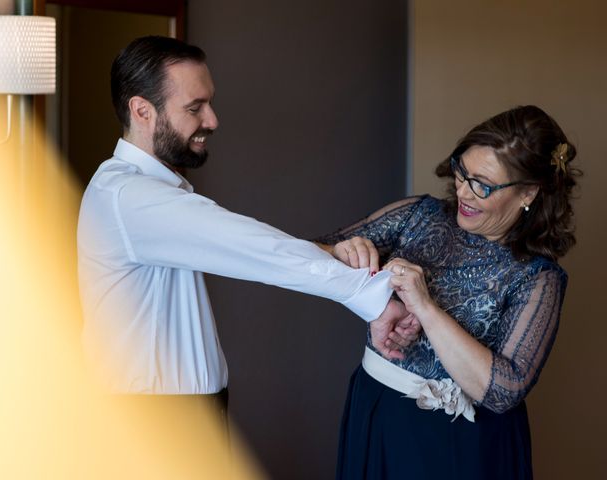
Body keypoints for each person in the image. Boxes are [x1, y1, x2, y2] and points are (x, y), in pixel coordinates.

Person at [77, 35, 419, 421]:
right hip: (151, 425)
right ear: (142, 111)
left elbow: (248, 245)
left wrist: (332, 253)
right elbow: (254, 249)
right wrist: (370, 296)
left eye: (209, 102)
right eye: (195, 107)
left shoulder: (144, 193)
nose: (212, 120)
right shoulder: (129, 196)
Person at [317, 105, 580, 479]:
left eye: (482, 184)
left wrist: (425, 306)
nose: (463, 192)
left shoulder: (539, 278)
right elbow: (312, 253)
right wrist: (344, 255)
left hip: (462, 444)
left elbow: (505, 391)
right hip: (377, 410)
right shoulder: (417, 215)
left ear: (529, 193)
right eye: (461, 173)